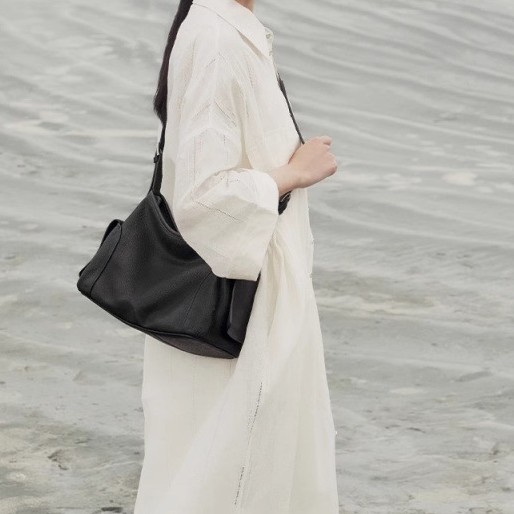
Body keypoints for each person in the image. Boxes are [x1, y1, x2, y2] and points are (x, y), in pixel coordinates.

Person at [133, 0, 339, 512]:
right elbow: (204, 197)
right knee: (232, 471)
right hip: (241, 300)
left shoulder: (226, 28)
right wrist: (295, 173)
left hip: (247, 287)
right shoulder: (218, 40)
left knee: (214, 465)